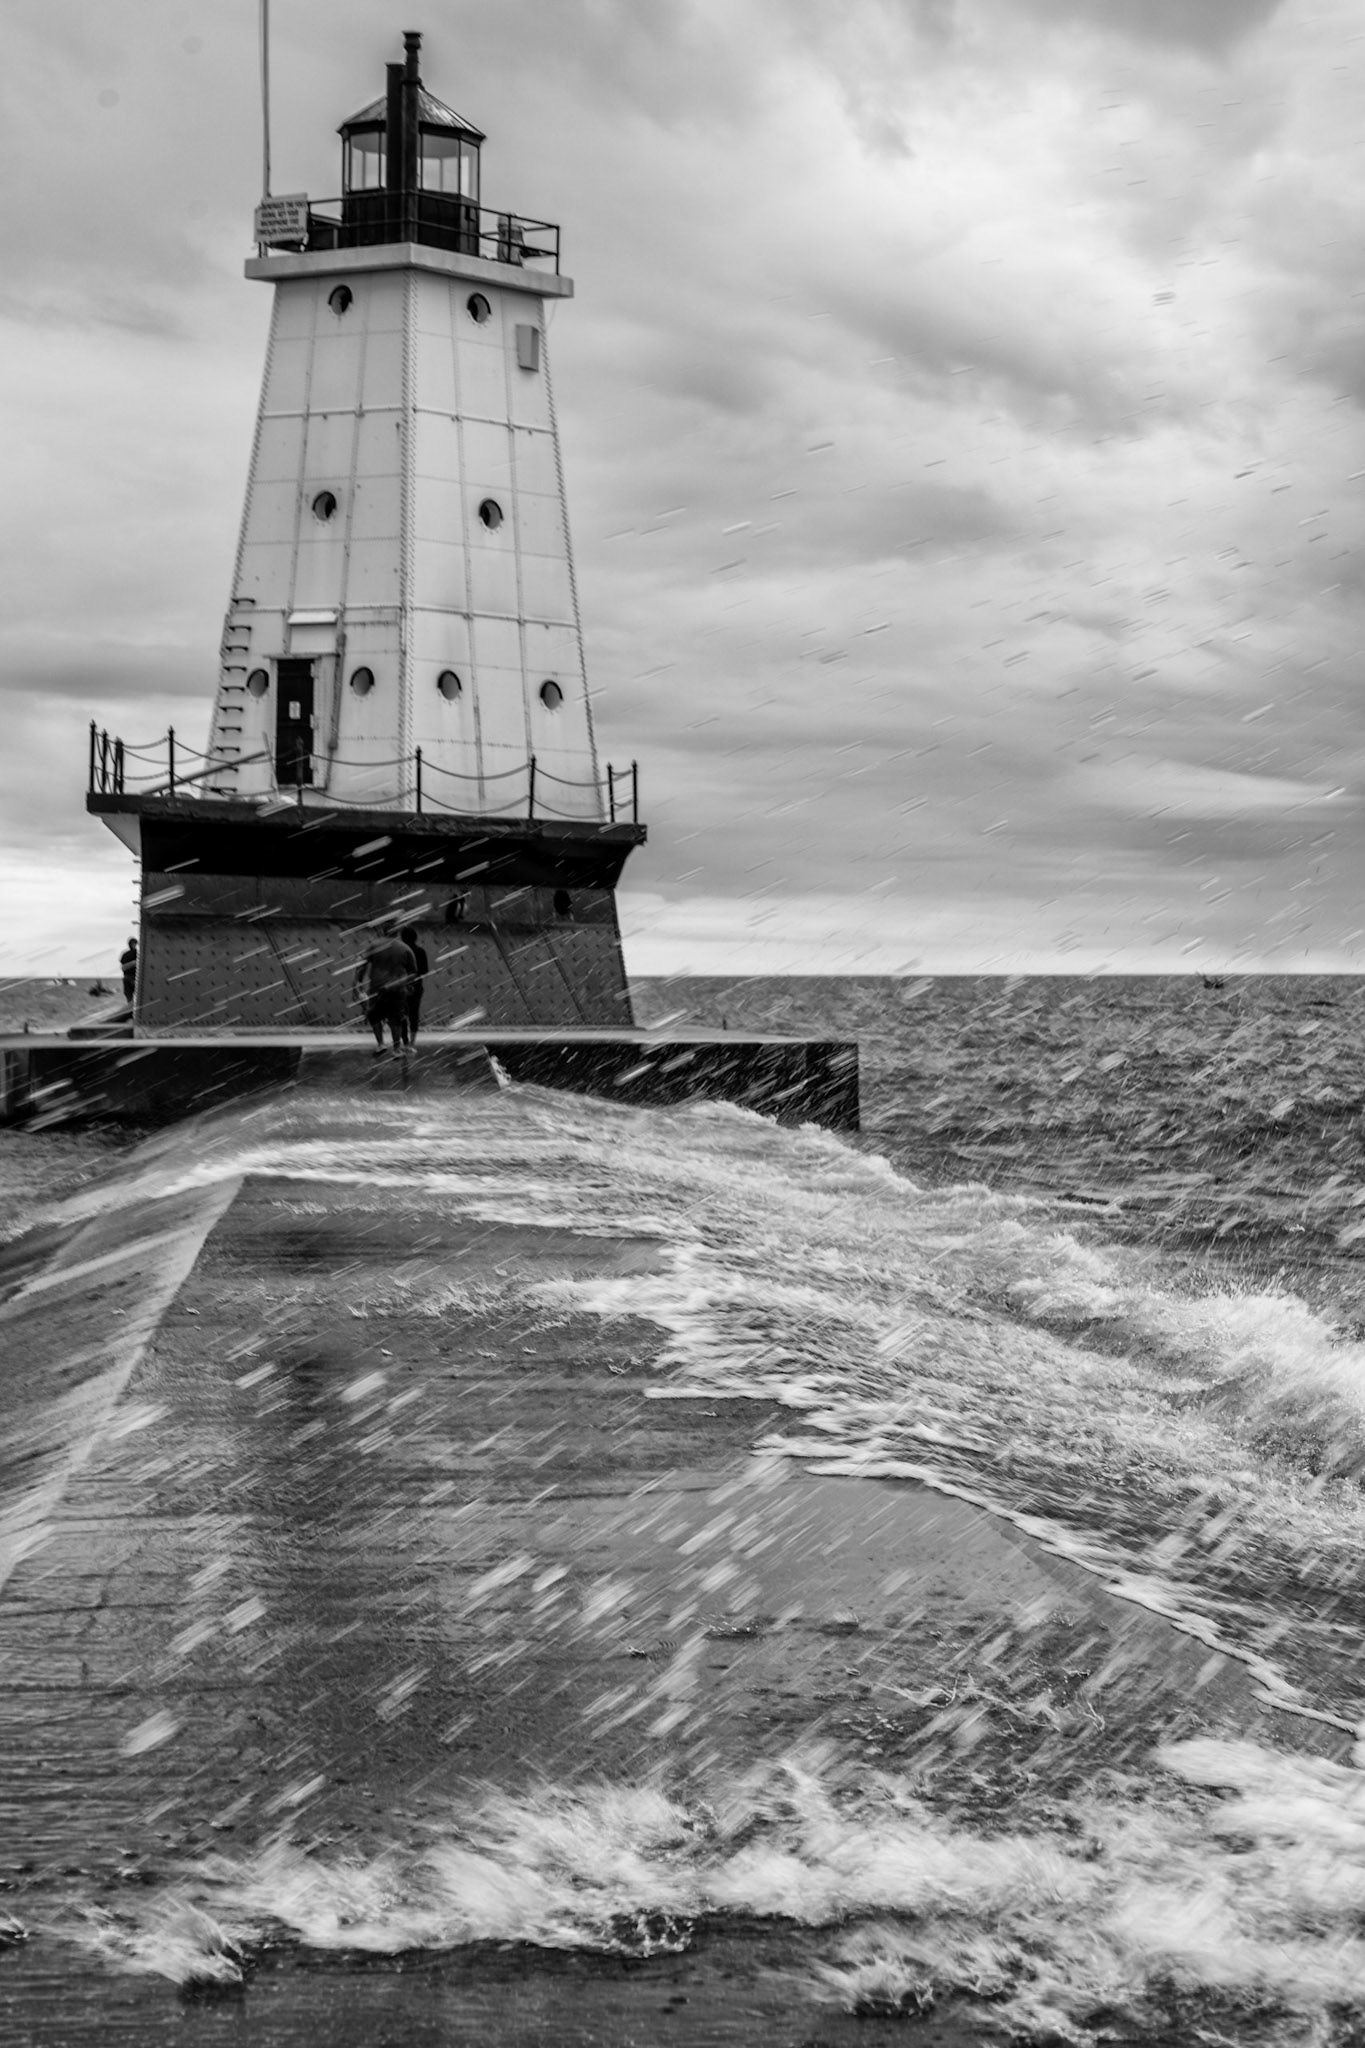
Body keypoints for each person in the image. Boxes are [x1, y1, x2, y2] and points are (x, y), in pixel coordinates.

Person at [355, 925, 416, 1055]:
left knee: (374, 1016)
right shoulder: (405, 949)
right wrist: (401, 983)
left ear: (383, 930)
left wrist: (359, 983)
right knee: (395, 1019)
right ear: (398, 932)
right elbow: (413, 973)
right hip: (397, 989)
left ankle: (380, 1044)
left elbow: (361, 965)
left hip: (376, 987)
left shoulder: (373, 946)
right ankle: (396, 1048)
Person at [398, 924, 429, 1045]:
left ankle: (404, 1040)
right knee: (414, 1014)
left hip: (401, 986)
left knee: (402, 1013)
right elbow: (424, 970)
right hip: (416, 986)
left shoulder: (401, 952)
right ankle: (412, 1041)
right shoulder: (420, 951)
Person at [119, 936, 138, 1002]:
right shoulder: (137, 953)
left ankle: (130, 1008)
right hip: (133, 978)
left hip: (126, 977)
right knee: (137, 996)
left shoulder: (124, 954)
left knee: (129, 997)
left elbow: (122, 966)